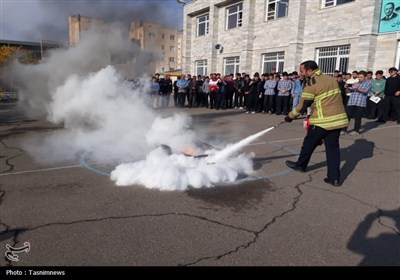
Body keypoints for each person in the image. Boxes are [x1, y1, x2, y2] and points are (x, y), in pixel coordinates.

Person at [283, 61, 349, 187]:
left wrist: (290, 116)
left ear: (309, 70)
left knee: (308, 144)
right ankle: (334, 178)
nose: (300, 73)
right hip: (337, 120)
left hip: (321, 121)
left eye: (302, 71)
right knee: (333, 150)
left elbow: (302, 105)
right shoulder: (331, 79)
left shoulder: (311, 84)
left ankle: (301, 165)